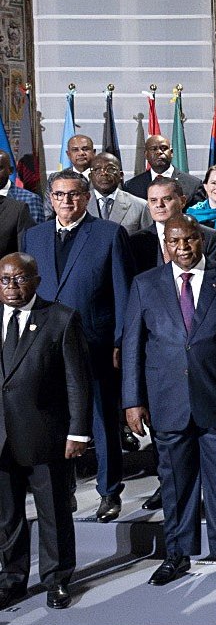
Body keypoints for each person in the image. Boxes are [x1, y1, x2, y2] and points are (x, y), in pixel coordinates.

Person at [123, 215, 216, 589]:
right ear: (166, 244)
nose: (183, 248)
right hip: (168, 403)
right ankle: (176, 555)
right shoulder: (145, 285)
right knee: (175, 485)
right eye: (175, 241)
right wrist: (133, 401)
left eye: (190, 240)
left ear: (201, 239)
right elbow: (132, 347)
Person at [25, 171, 131, 522]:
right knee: (54, 421)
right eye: (59, 195)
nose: (66, 202)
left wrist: (119, 341)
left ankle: (109, 491)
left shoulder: (109, 234)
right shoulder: (32, 237)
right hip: (46, 346)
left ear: (86, 197)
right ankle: (63, 492)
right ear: (50, 199)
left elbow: (122, 294)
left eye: (73, 195)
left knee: (102, 419)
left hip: (95, 344)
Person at [0, 252, 91, 609]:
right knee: (7, 516)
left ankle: (56, 580)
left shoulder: (61, 319)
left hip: (46, 436)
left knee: (53, 512)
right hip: (1, 437)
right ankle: (12, 579)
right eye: (5, 279)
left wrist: (79, 432)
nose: (11, 287)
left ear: (36, 281)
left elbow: (78, 383)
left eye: (19, 279)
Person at [129, 175, 216, 273]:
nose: (159, 205)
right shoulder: (136, 241)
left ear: (182, 201)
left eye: (166, 199)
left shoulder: (209, 236)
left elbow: (215, 277)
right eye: (153, 200)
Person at [125, 134, 202, 203]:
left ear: (171, 153)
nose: (159, 152)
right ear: (146, 154)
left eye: (163, 148)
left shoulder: (193, 184)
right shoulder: (131, 186)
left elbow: (198, 216)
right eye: (153, 149)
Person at [85, 152, 147, 233]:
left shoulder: (140, 206)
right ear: (90, 176)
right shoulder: (78, 204)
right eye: (97, 169)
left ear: (121, 175)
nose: (104, 173)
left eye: (110, 169)